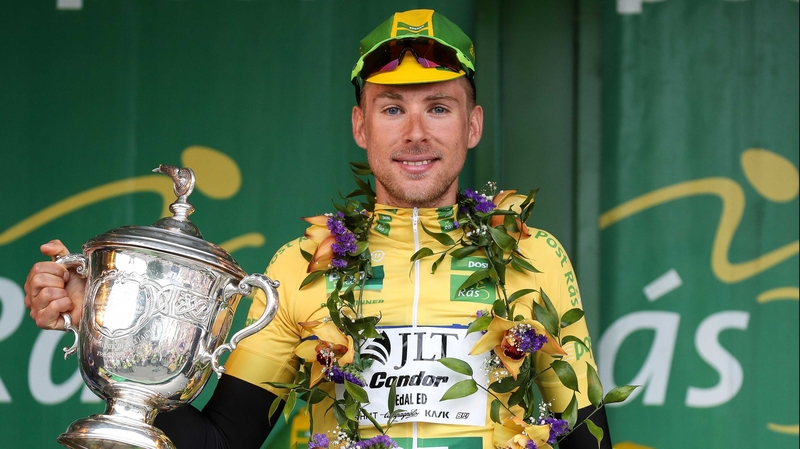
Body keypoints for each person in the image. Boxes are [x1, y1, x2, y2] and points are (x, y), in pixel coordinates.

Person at [24, 9, 611, 449]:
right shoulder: (301, 265)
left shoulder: (533, 256)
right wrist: (104, 321)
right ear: (361, 125)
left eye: (438, 107)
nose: (415, 133)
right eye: (391, 109)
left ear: (473, 124)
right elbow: (224, 441)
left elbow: (590, 440)